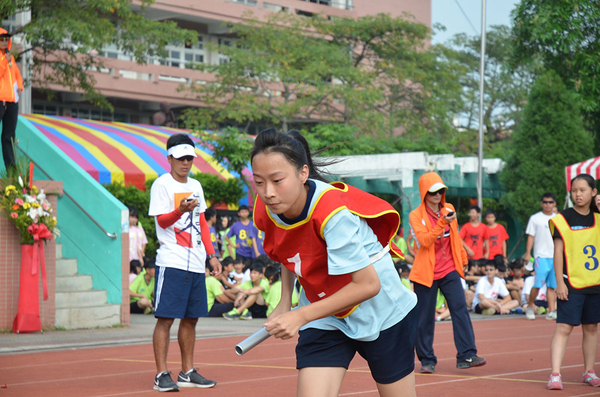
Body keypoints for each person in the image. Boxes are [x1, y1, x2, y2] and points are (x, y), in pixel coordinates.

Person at [252, 128, 418, 396]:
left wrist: (299, 315)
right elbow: (288, 252)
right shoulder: (268, 209)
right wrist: (285, 300)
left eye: (277, 180)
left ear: (303, 173)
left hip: (381, 310)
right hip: (324, 312)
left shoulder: (332, 213)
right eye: (259, 182)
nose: (268, 192)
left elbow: (367, 285)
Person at [148, 133, 222, 392]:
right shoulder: (162, 184)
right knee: (166, 319)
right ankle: (161, 375)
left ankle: (187, 371)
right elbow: (162, 221)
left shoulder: (197, 185)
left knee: (191, 319)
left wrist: (212, 255)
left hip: (196, 262)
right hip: (171, 261)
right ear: (169, 158)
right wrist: (180, 209)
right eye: (180, 158)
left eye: (189, 158)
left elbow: (201, 223)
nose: (185, 163)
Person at [409, 172, 485, 374]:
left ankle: (466, 354)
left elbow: (455, 236)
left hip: (449, 268)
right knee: (425, 317)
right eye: (433, 191)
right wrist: (442, 222)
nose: (438, 194)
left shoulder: (449, 208)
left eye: (441, 190)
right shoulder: (416, 215)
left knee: (460, 309)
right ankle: (427, 360)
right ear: (424, 192)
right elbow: (425, 241)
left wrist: (462, 256)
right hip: (426, 272)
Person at [547, 174, 600, 390]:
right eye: (574, 190)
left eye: (583, 190)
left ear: (594, 192)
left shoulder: (598, 217)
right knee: (564, 327)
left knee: (591, 328)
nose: (578, 194)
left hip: (594, 283)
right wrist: (560, 282)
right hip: (572, 283)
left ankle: (589, 371)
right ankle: (555, 374)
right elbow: (558, 253)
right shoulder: (563, 218)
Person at [524, 193, 558, 321]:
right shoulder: (535, 218)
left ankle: (552, 310)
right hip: (540, 256)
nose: (548, 204)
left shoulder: (558, 218)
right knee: (538, 284)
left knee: (552, 286)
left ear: (554, 204)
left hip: (554, 257)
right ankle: (530, 307)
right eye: (545, 202)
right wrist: (528, 253)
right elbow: (531, 236)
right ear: (541, 203)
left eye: (550, 202)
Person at [0, 29, 23, 171]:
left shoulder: (11, 58)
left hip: (12, 101)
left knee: (9, 137)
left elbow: (17, 75)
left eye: (5, 39)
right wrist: (4, 61)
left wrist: (20, 86)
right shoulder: (4, 59)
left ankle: (12, 172)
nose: (4, 42)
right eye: (1, 39)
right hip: (0, 100)